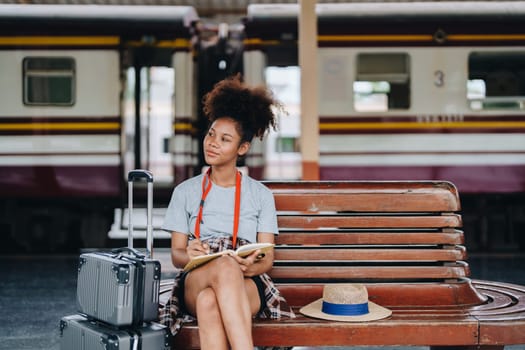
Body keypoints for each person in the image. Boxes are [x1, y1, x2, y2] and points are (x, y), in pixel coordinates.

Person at [159, 74, 295, 350]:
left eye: (224, 139)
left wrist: (251, 265)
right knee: (222, 267)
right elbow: (176, 256)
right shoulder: (185, 191)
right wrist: (190, 253)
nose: (212, 142)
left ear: (241, 148)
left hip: (247, 281)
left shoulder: (260, 195)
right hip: (197, 278)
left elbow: (266, 258)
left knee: (210, 301)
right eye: (211, 134)